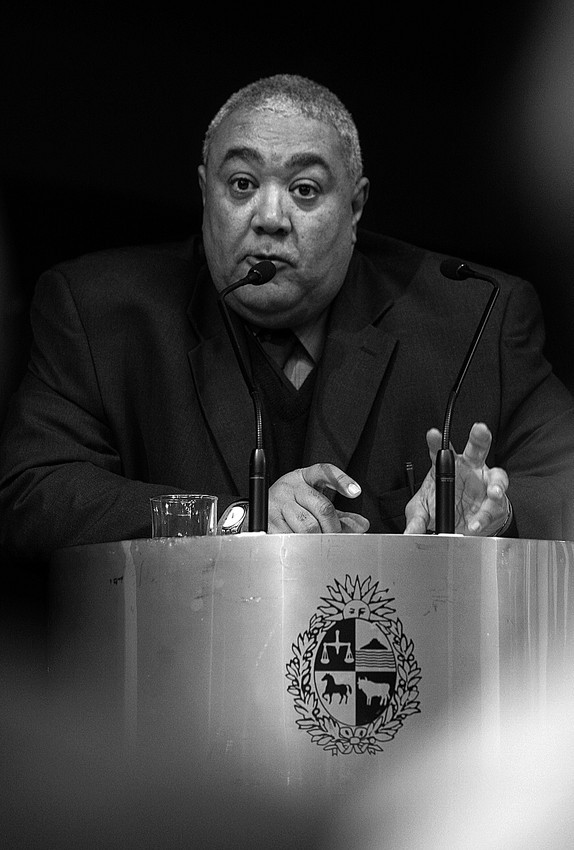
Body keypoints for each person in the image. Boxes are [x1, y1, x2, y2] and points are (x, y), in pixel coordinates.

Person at [1, 73, 574, 564]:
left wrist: (498, 507)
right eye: (242, 184)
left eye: (304, 190)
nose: (270, 218)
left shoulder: (474, 317)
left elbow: (564, 478)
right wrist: (227, 520)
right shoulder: (101, 314)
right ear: (206, 193)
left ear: (354, 208)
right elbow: (32, 490)